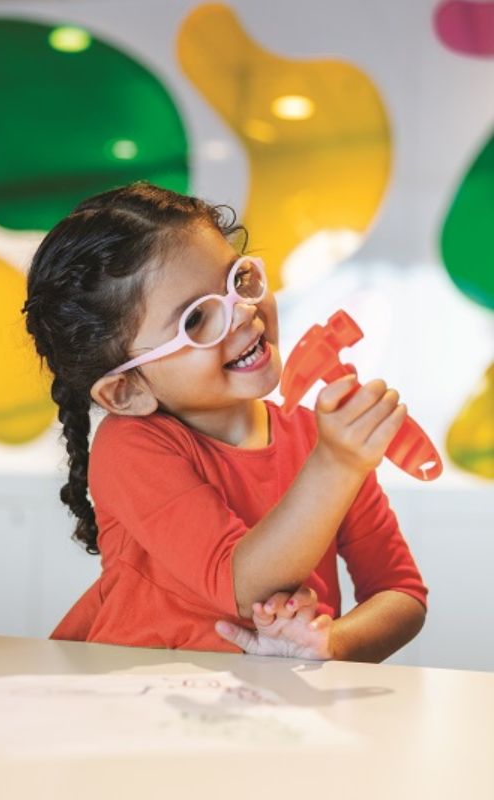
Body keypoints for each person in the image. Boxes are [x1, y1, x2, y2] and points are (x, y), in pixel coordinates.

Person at [22, 181, 427, 661]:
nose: (242, 314)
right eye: (196, 320)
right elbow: (240, 584)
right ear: (127, 390)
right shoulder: (131, 446)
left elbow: (401, 593)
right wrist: (337, 464)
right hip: (136, 693)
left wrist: (329, 644)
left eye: (238, 279)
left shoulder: (320, 441)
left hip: (275, 702)